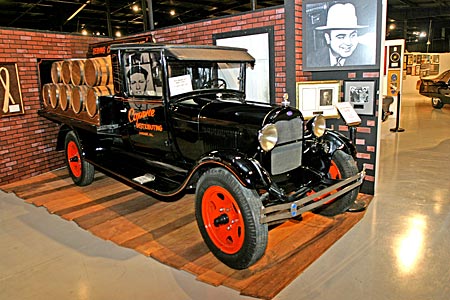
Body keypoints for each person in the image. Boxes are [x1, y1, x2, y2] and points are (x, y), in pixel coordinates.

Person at [307, 3, 374, 68]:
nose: (348, 42)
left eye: (352, 35)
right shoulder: (312, 60)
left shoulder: (368, 57)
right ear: (328, 38)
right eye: (341, 37)